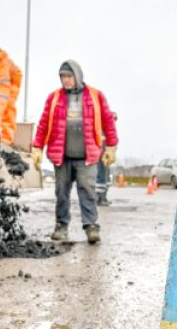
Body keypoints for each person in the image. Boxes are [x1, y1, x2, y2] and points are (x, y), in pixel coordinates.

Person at [32, 60, 118, 244]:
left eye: (69, 76)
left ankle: (91, 227)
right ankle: (61, 227)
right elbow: (44, 122)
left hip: (87, 157)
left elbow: (108, 121)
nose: (66, 80)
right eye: (62, 77)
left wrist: (111, 145)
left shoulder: (95, 96)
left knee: (87, 191)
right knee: (61, 192)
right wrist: (37, 147)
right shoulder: (54, 97)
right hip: (61, 156)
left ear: (77, 76)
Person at [96, 111, 118, 206]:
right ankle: (100, 199)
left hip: (105, 156)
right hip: (101, 155)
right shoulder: (102, 128)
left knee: (105, 178)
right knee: (101, 177)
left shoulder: (106, 129)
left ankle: (103, 197)